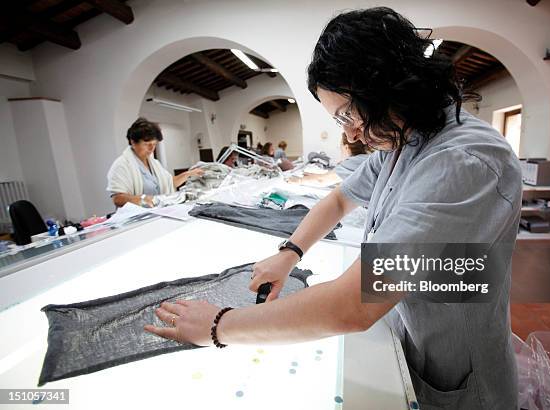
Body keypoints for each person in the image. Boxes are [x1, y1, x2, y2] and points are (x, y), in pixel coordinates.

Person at [145, 8, 521, 409]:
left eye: (347, 113)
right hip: (415, 335)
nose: (348, 132)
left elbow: (354, 303)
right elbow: (341, 198)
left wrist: (219, 325)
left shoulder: (464, 161)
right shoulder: (405, 140)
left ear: (389, 86)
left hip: (460, 375)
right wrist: (289, 254)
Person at [106, 117, 204, 208]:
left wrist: (189, 174)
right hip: (138, 217)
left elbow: (169, 183)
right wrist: (141, 200)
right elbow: (117, 198)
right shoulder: (122, 165)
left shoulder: (154, 163)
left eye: (154, 144)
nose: (152, 148)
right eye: (147, 144)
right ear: (133, 142)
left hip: (157, 213)